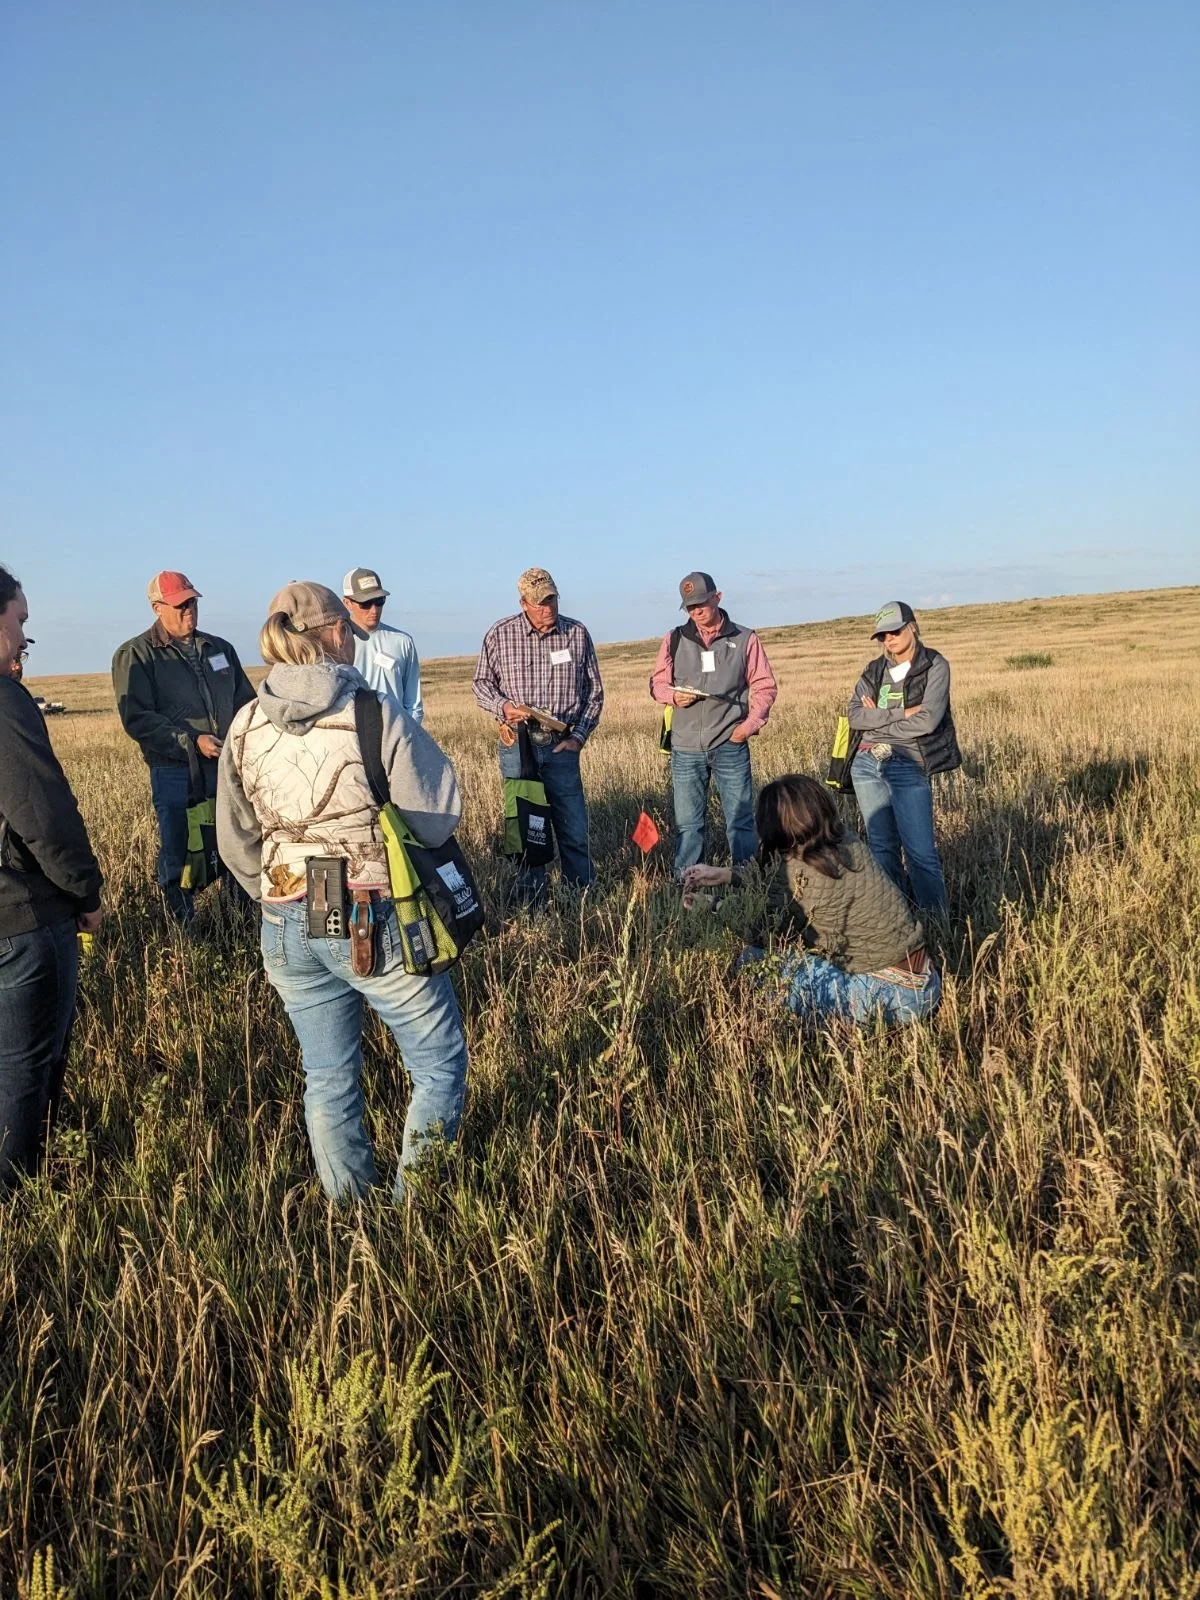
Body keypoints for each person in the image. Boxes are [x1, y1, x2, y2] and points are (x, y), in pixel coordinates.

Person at [216, 581, 468, 1202]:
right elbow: (436, 817)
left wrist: (279, 893)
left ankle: (350, 1209)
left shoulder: (245, 723)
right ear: (332, 633)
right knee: (438, 1061)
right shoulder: (372, 711)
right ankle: (420, 1204)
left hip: (282, 917)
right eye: (348, 632)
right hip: (364, 910)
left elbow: (235, 839)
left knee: (327, 1077)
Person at [682, 775, 940, 1027]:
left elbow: (763, 930)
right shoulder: (844, 841)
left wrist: (714, 906)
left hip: (886, 995)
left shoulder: (800, 878)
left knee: (753, 962)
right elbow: (772, 874)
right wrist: (726, 874)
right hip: (924, 980)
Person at [0, 566, 103, 1188]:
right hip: (20, 919)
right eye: (20, 623)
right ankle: (15, 1199)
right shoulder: (4, 702)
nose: (21, 641)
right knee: (22, 1069)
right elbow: (43, 814)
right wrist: (84, 892)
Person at [112, 572, 255, 924]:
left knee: (234, 845)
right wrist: (191, 743)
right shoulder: (136, 654)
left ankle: (238, 921)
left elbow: (245, 702)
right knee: (179, 849)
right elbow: (138, 719)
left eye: (192, 602)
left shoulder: (220, 649)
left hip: (226, 767)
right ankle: (183, 928)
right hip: (176, 771)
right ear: (157, 608)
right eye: (180, 605)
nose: (189, 610)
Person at [472, 567, 604, 908]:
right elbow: (481, 684)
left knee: (573, 827)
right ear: (523, 603)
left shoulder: (576, 633)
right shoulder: (499, 635)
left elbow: (594, 693)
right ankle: (532, 901)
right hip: (519, 744)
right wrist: (503, 707)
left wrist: (578, 737)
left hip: (561, 744)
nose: (548, 607)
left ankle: (581, 898)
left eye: (552, 599)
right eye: (540, 601)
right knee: (527, 827)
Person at [649, 571, 778, 876]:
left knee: (740, 820)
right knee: (688, 824)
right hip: (685, 746)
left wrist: (748, 726)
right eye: (690, 607)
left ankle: (746, 882)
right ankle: (688, 882)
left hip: (729, 743)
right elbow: (657, 683)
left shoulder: (745, 638)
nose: (696, 611)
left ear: (717, 597)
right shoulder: (674, 638)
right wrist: (672, 696)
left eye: (701, 604)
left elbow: (764, 686)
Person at [846, 601, 960, 912]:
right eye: (882, 636)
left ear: (912, 626)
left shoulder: (935, 665)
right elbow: (855, 716)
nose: (889, 640)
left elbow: (928, 720)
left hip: (908, 762)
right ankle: (897, 918)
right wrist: (901, 713)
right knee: (882, 849)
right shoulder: (874, 670)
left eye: (894, 631)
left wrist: (879, 716)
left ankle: (937, 924)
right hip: (866, 762)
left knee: (920, 852)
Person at [341, 567, 423, 723]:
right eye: (365, 603)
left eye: (379, 601)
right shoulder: (335, 643)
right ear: (347, 603)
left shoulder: (403, 642)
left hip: (396, 737)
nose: (374, 609)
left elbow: (414, 705)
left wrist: (409, 738)